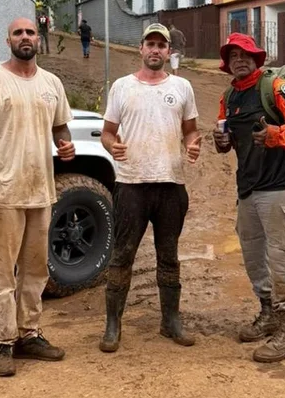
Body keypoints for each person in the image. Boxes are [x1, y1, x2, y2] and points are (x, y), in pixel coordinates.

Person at [0, 17, 76, 377]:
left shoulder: (52, 83)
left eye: (30, 32)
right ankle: (1, 341)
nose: (25, 38)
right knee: (3, 273)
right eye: (19, 33)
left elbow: (60, 125)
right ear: (8, 40)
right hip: (4, 195)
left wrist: (65, 144)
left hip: (40, 192)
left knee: (36, 270)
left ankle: (29, 334)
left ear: (38, 40)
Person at [98, 23, 201, 353]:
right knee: (122, 256)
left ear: (169, 52)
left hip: (171, 184)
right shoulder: (122, 87)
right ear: (140, 49)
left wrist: (193, 145)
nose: (155, 50)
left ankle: (170, 321)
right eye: (150, 44)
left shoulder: (183, 87)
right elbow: (107, 133)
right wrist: (111, 146)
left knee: (168, 256)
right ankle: (113, 326)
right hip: (131, 185)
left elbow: (190, 131)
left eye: (162, 45)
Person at [212, 33, 285, 363]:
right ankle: (268, 313)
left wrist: (274, 135)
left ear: (257, 59)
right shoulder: (228, 96)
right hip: (248, 189)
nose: (239, 60)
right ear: (227, 63)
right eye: (233, 55)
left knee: (283, 257)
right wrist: (221, 142)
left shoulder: (277, 87)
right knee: (254, 257)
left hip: (281, 186)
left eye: (246, 54)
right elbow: (229, 141)